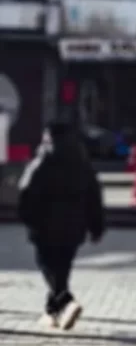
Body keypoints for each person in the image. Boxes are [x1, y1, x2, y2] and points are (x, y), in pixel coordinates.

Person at [17, 121, 105, 330]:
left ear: (49, 136)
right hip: (74, 227)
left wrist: (29, 221)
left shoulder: (43, 160)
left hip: (45, 226)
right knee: (62, 269)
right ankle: (53, 312)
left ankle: (66, 301)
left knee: (47, 265)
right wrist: (96, 227)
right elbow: (94, 197)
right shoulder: (82, 161)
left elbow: (26, 192)